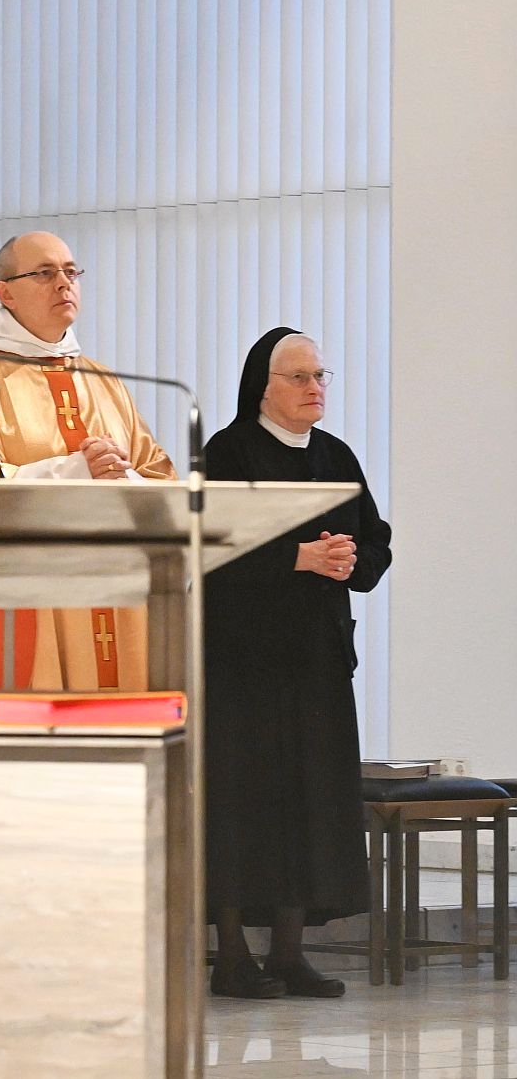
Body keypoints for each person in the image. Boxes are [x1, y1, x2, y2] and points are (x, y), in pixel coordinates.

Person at [203, 327, 390, 1000]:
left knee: (308, 804)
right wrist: (296, 558)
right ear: (264, 386)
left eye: (320, 376)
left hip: (317, 660)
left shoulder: (336, 455)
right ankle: (230, 958)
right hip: (241, 663)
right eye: (300, 377)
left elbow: (377, 540)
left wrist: (350, 562)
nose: (315, 388)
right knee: (242, 805)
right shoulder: (227, 453)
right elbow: (205, 546)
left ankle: (288, 953)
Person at [0, 231, 174, 690]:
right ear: (5, 293)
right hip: (28, 601)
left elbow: (160, 476)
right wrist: (77, 471)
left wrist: (123, 476)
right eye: (44, 273)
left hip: (117, 592)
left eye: (71, 272)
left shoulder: (102, 378)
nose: (64, 283)